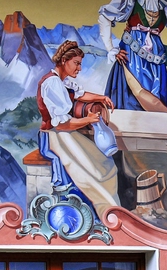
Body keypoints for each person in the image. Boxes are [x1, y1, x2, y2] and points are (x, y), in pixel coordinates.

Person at [37, 40, 120, 218]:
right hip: (54, 137)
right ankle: (104, 212)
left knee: (104, 164)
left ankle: (108, 210)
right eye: (76, 63)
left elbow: (79, 94)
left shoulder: (61, 81)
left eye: (80, 64)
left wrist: (101, 98)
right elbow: (61, 124)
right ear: (64, 61)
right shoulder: (52, 83)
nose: (79, 68)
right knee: (94, 171)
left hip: (65, 135)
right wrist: (87, 120)